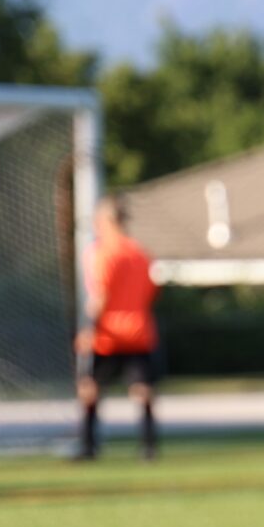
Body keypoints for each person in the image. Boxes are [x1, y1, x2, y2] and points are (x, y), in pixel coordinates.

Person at [74, 198, 161, 462]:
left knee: (90, 388)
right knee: (142, 389)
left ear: (107, 221)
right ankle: (149, 447)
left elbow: (100, 295)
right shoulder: (141, 253)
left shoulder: (104, 253)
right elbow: (151, 292)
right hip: (139, 332)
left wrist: (89, 328)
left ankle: (89, 446)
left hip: (108, 335)